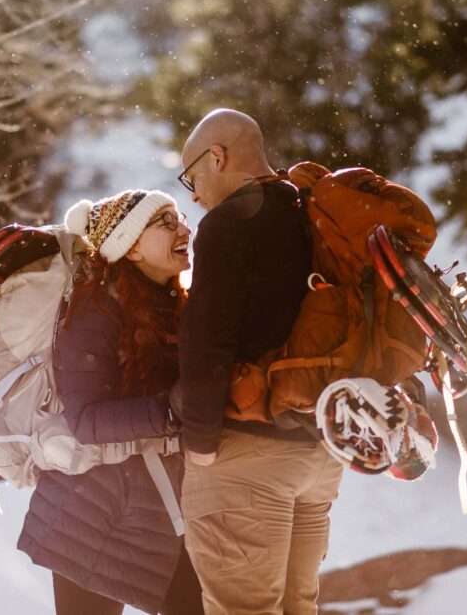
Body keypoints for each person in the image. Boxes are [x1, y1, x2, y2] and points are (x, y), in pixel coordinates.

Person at [170, 109, 344, 614]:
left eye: (193, 177)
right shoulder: (310, 212)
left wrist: (200, 439)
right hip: (317, 453)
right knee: (298, 606)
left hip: (247, 457)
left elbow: (206, 341)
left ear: (217, 157)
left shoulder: (228, 225)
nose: (196, 194)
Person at [16, 189, 204, 615]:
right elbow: (84, 419)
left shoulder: (176, 304)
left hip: (155, 510)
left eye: (181, 218)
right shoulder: (95, 311)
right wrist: (169, 410)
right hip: (89, 516)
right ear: (131, 247)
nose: (184, 228)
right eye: (166, 222)